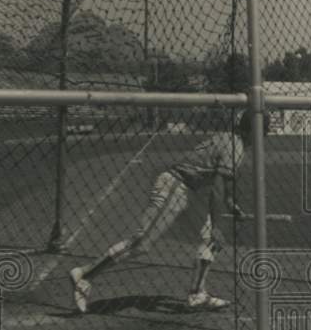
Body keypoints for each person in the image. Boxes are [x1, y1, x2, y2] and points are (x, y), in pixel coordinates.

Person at [69, 109, 267, 313]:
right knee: (142, 243)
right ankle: (84, 276)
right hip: (175, 184)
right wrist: (217, 224)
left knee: (211, 240)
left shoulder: (230, 140)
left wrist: (230, 203)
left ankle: (197, 294)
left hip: (191, 190)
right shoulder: (236, 147)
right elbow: (217, 188)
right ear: (255, 132)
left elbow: (221, 185)